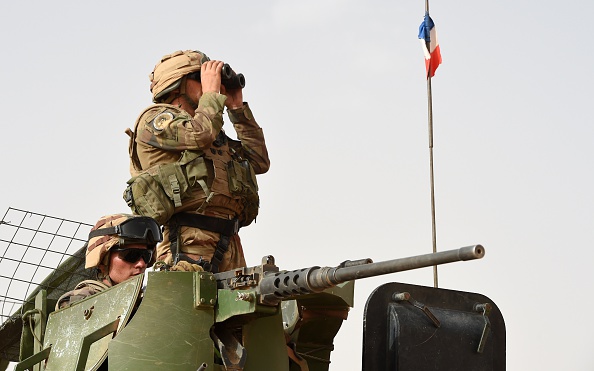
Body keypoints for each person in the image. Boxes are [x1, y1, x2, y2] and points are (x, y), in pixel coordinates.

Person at [124, 49, 270, 273]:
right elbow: (199, 134)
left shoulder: (212, 131)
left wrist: (237, 110)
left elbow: (259, 161)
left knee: (242, 307)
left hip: (229, 241)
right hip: (186, 241)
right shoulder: (156, 119)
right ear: (177, 83)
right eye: (200, 77)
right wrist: (211, 94)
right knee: (189, 307)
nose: (210, 84)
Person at [55, 214, 163, 310]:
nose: (142, 264)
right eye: (131, 255)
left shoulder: (148, 301)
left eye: (146, 255)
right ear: (103, 261)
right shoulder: (78, 302)